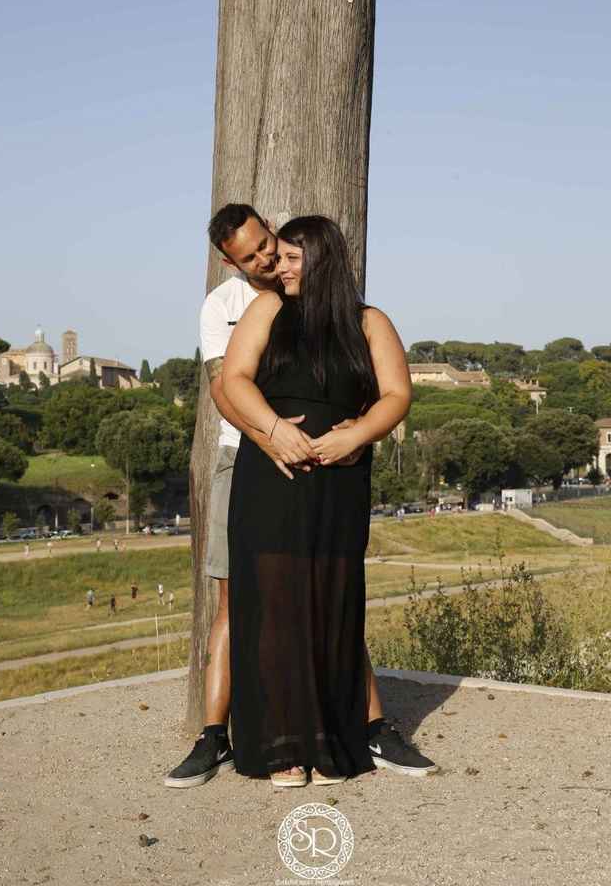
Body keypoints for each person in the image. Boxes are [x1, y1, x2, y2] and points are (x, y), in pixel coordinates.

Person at [164, 205, 420, 790]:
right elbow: (229, 383)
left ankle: (341, 740)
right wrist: (275, 434)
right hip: (264, 472)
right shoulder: (254, 307)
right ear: (231, 261)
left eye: (281, 254)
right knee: (265, 608)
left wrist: (356, 434)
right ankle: (251, 742)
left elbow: (396, 393)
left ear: (319, 258)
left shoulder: (369, 319)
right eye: (261, 258)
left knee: (333, 603)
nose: (272, 264)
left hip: (339, 483)